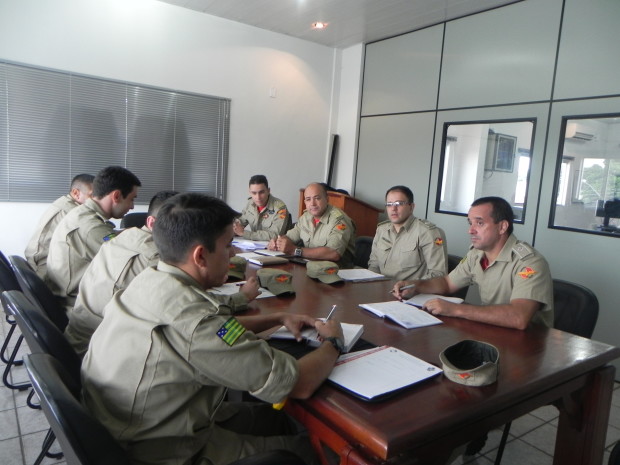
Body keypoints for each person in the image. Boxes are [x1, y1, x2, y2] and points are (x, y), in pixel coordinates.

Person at [81, 193, 344, 465]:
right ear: (200, 256)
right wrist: (333, 342)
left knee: (274, 418)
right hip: (162, 452)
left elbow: (212, 331)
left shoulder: (151, 280)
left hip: (133, 426)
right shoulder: (196, 319)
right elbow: (299, 383)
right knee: (313, 453)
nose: (233, 254)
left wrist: (277, 318)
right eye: (228, 245)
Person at [392, 196, 553, 330]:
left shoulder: (530, 262)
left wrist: (456, 309)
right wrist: (415, 285)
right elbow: (447, 283)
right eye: (470, 223)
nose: (471, 230)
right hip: (494, 331)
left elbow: (519, 317)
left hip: (529, 345)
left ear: (502, 227)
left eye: (480, 223)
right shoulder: (477, 254)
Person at [64, 190, 178, 358]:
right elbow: (184, 307)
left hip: (80, 336)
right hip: (93, 351)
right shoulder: (155, 258)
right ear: (152, 223)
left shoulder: (125, 236)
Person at [46, 166, 141, 313]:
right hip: (74, 306)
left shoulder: (83, 213)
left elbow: (108, 235)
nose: (132, 206)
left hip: (66, 294)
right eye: (131, 199)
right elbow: (128, 266)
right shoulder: (91, 227)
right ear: (116, 196)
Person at [368, 185, 447, 281]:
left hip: (411, 289)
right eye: (389, 204)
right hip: (380, 287)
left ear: (411, 207)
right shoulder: (381, 230)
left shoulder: (428, 232)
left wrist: (410, 286)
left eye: (399, 203)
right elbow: (374, 265)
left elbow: (438, 274)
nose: (393, 208)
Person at [268, 182, 356, 268]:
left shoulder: (339, 220)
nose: (313, 204)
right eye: (308, 199)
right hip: (309, 267)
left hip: (336, 271)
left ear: (327, 199)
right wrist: (277, 242)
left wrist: (295, 250)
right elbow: (290, 237)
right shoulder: (306, 217)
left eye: (317, 198)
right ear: (305, 202)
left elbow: (334, 253)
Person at [24, 174, 95, 280]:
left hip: (38, 262)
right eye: (92, 195)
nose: (96, 200)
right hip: (43, 267)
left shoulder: (64, 202)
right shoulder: (73, 212)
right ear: (76, 193)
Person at [233, 174, 290, 240]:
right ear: (250, 192)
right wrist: (234, 228)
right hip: (253, 244)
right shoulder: (250, 204)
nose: (258, 197)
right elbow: (240, 221)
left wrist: (244, 233)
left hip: (273, 245)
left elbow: (275, 235)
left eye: (261, 192)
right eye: (254, 193)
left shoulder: (280, 208)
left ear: (268, 191)